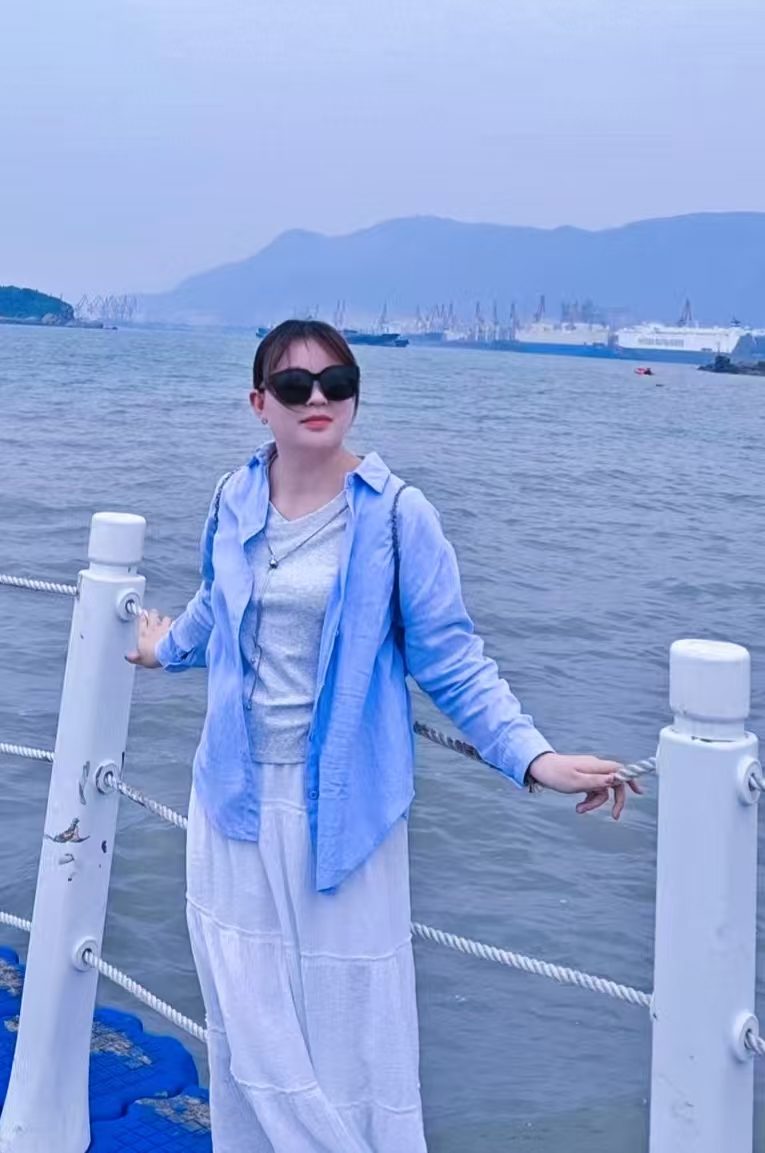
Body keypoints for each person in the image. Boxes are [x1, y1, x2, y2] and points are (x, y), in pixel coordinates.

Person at [128, 319, 639, 1153]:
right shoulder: (234, 495)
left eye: (337, 382)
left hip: (342, 809)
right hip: (231, 799)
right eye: (294, 385)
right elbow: (216, 606)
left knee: (348, 1029)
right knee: (248, 1019)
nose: (318, 398)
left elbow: (453, 660)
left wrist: (533, 758)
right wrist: (162, 649)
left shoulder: (398, 516)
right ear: (259, 403)